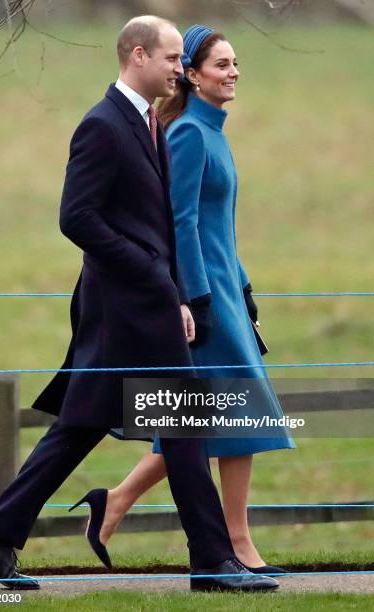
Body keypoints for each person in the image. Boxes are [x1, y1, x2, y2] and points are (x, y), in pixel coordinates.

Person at [0, 16, 278, 593]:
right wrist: (154, 276)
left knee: (82, 423)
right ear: (138, 56)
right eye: (172, 59)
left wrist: (174, 291)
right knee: (184, 421)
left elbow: (157, 222)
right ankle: (211, 560)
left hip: (144, 303)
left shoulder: (149, 123)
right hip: (124, 304)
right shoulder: (103, 125)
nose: (180, 69)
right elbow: (76, 217)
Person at [82, 25, 295, 574]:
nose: (233, 73)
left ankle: (116, 502)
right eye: (221, 64)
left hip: (224, 290)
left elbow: (219, 225)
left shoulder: (213, 132)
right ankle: (237, 540)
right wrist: (196, 299)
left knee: (196, 416)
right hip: (203, 296)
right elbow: (179, 225)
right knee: (237, 414)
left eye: (235, 63)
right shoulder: (189, 135)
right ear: (193, 75)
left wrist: (243, 287)